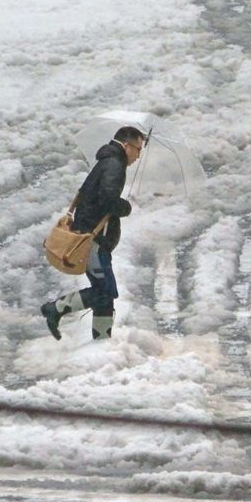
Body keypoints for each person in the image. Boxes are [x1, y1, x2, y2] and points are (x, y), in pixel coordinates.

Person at [41, 126, 145, 341]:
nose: (138, 155)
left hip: (92, 236)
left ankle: (101, 341)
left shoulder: (107, 161)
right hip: (94, 239)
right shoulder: (115, 165)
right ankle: (56, 309)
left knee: (104, 293)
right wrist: (125, 207)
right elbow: (107, 198)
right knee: (104, 292)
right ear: (126, 145)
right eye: (138, 149)